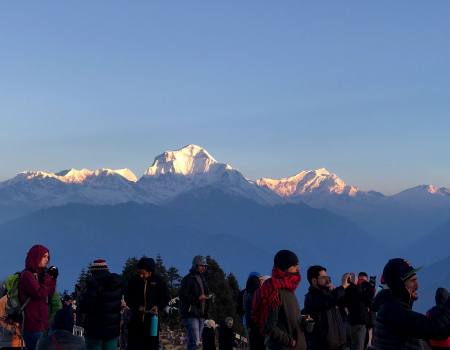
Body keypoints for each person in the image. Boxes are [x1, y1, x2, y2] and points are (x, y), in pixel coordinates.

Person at [371, 258, 450, 350]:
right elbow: (437, 330)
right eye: (412, 281)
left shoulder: (390, 307)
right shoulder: (394, 312)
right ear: (400, 285)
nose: (417, 285)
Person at [252, 249, 308, 350]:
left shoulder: (288, 289)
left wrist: (302, 321)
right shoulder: (274, 291)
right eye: (294, 265)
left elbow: (285, 319)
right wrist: (291, 342)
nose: (298, 269)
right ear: (286, 268)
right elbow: (270, 326)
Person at [124, 257, 170, 350]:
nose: (141, 275)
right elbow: (128, 297)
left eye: (143, 273)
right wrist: (136, 307)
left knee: (151, 345)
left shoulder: (159, 281)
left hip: (152, 320)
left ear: (150, 271)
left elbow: (165, 298)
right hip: (136, 319)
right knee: (134, 345)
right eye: (139, 273)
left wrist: (158, 306)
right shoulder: (134, 281)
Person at [77, 258, 123, 350]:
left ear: (94, 271)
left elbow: (84, 306)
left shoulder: (93, 284)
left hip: (94, 330)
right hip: (112, 331)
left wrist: (80, 297)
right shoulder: (117, 284)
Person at [19, 244, 58, 350]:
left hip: (43, 324)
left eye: (48, 257)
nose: (47, 259)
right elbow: (39, 293)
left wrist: (53, 278)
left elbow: (49, 294)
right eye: (44, 256)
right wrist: (49, 279)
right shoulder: (27, 275)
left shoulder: (40, 275)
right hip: (32, 325)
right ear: (36, 256)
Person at [303, 265, 350, 350]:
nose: (327, 280)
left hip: (340, 345)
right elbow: (326, 302)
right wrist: (342, 287)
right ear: (314, 281)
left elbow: (345, 304)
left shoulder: (330, 294)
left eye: (327, 277)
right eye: (323, 277)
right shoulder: (311, 297)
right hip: (322, 346)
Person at [179, 255, 211, 350]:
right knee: (195, 341)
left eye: (205, 266)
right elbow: (183, 296)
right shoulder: (188, 279)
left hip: (201, 314)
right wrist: (197, 298)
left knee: (194, 341)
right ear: (195, 265)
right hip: (191, 314)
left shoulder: (202, 279)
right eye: (201, 265)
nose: (203, 268)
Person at [344, 272, 375, 350]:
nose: (362, 282)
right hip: (357, 323)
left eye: (364, 281)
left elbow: (371, 302)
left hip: (368, 324)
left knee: (365, 345)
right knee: (357, 345)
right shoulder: (354, 290)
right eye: (360, 280)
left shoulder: (368, 290)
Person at [239, 272, 265, 350]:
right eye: (260, 279)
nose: (262, 281)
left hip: (248, 323)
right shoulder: (255, 294)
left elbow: (241, 309)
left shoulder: (245, 293)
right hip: (254, 324)